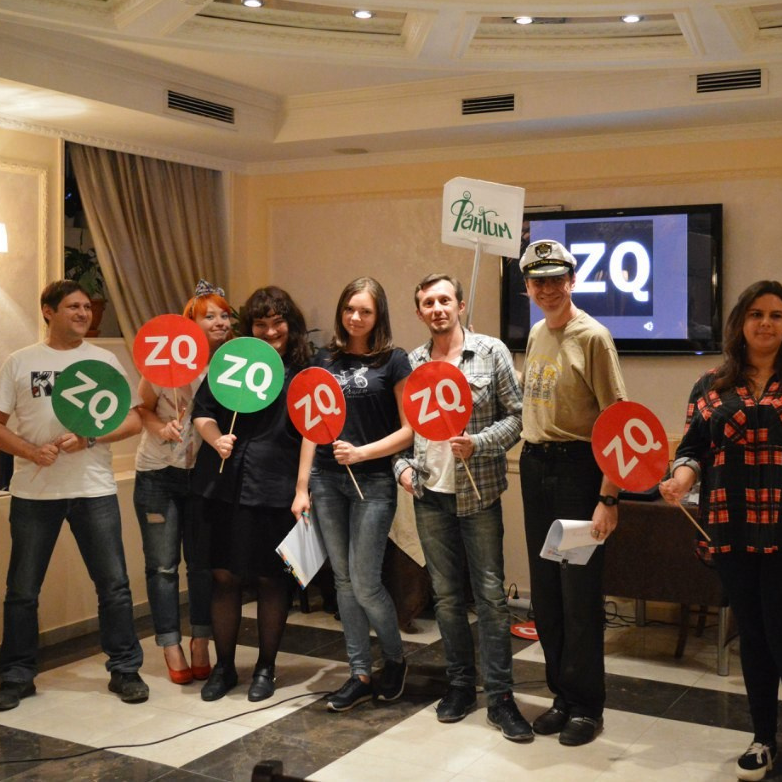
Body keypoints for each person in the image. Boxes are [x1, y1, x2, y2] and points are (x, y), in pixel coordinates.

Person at [659, 280, 782, 782]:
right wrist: (682, 478)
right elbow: (692, 451)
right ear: (740, 322)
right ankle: (763, 738)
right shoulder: (709, 385)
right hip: (731, 529)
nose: (766, 323)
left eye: (777, 315)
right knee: (754, 639)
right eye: (756, 314)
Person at [0, 279, 146, 711]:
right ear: (48, 311)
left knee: (113, 586)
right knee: (22, 590)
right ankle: (16, 676)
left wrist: (91, 438)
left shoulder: (104, 360)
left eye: (87, 307)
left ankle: (125, 670)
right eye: (73, 307)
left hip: (93, 489)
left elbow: (133, 421)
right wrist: (30, 451)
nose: (83, 313)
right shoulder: (20, 362)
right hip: (34, 494)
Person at [394, 273, 532, 742]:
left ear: (460, 304)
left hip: (479, 493)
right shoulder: (412, 363)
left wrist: (479, 443)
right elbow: (402, 430)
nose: (437, 309)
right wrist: (402, 469)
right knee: (447, 597)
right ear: (419, 311)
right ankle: (458, 686)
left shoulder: (491, 352)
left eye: (444, 300)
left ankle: (501, 698)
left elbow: (518, 417)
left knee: (490, 597)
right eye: (428, 302)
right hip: (429, 494)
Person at [518, 239, 627, 748]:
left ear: (572, 281)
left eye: (555, 279)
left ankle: (586, 707)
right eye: (537, 281)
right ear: (527, 287)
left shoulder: (593, 336)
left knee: (578, 594)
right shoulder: (537, 332)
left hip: (579, 473)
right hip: (536, 467)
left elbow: (617, 422)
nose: (547, 289)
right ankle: (561, 696)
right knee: (547, 595)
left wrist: (608, 497)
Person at [191, 286, 314, 702]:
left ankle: (266, 668)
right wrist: (215, 439)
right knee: (223, 576)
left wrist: (302, 488)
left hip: (276, 487)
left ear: (290, 323)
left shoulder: (303, 370)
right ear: (249, 327)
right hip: (221, 484)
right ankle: (224, 667)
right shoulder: (231, 361)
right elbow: (202, 411)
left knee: (271, 579)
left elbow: (312, 432)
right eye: (261, 324)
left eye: (278, 322)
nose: (270, 331)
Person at [298, 276, 413, 712]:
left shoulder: (394, 360)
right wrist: (301, 486)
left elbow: (410, 429)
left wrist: (363, 452)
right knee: (343, 582)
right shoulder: (324, 359)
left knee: (365, 582)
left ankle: (395, 658)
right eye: (349, 309)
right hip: (326, 481)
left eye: (365, 310)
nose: (355, 317)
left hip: (374, 483)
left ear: (378, 315)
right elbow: (311, 425)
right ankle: (360, 673)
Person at [131, 280, 231, 685]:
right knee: (162, 566)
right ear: (191, 322)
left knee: (203, 565)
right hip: (158, 474)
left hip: (204, 477)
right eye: (210, 316)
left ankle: (201, 641)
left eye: (225, 315)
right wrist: (161, 428)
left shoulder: (231, 367)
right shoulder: (164, 361)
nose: (221, 322)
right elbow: (142, 408)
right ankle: (170, 645)